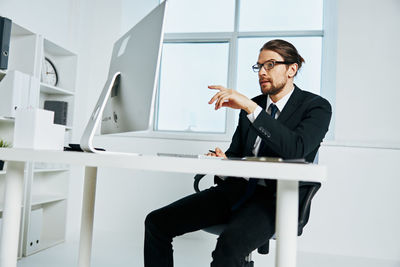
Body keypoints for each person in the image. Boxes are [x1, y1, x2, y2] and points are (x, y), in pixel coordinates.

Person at [144, 39, 332, 267]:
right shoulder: (252, 106)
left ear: (292, 69)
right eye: (259, 66)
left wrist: (252, 109)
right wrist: (222, 163)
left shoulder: (316, 107)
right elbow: (235, 155)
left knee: (229, 247)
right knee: (157, 222)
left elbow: (296, 150)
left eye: (270, 64)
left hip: (276, 200)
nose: (262, 72)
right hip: (237, 191)